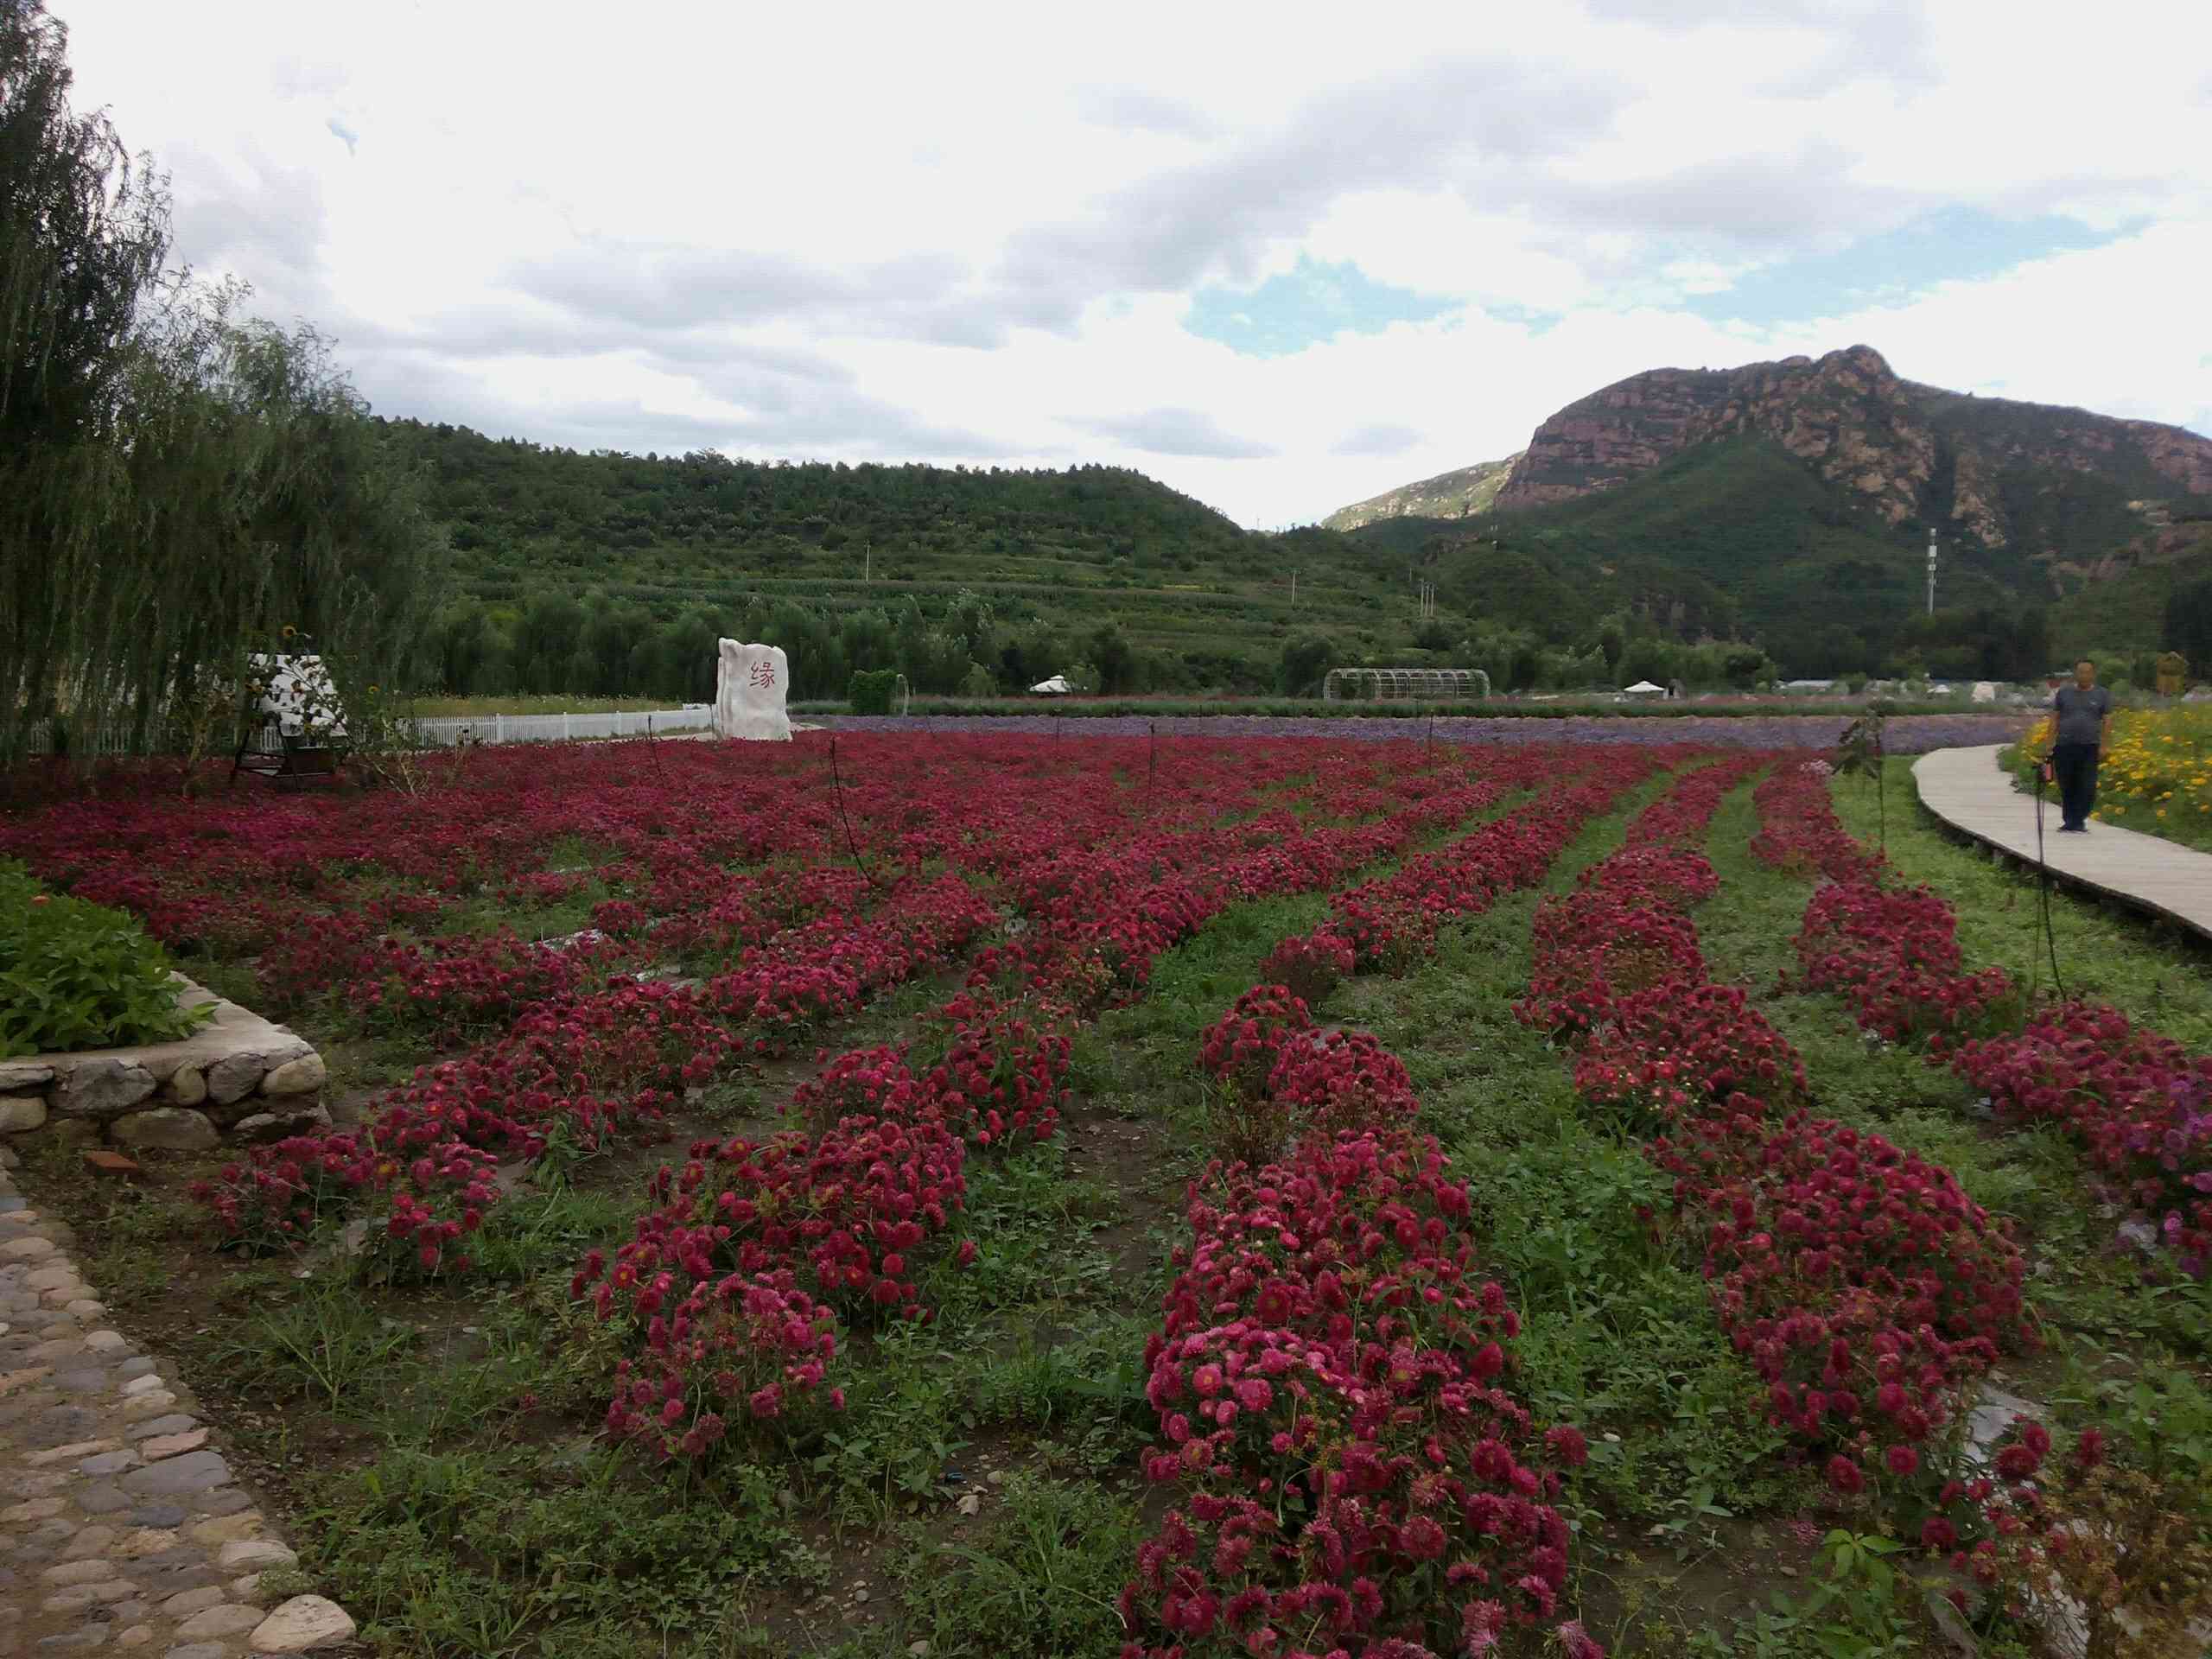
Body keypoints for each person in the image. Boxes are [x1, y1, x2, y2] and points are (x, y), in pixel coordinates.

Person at [2049, 658, 2112, 832]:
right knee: (2067, 783)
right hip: (2065, 745)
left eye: (2087, 672)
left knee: (2087, 785)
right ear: (2076, 673)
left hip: (2090, 746)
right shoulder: (2064, 693)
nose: (2083, 675)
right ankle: (2070, 820)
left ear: (2093, 674)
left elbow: (2107, 721)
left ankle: (2080, 817)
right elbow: (2055, 717)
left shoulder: (2102, 694)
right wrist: (2049, 743)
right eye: (2080, 672)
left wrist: (2105, 745)